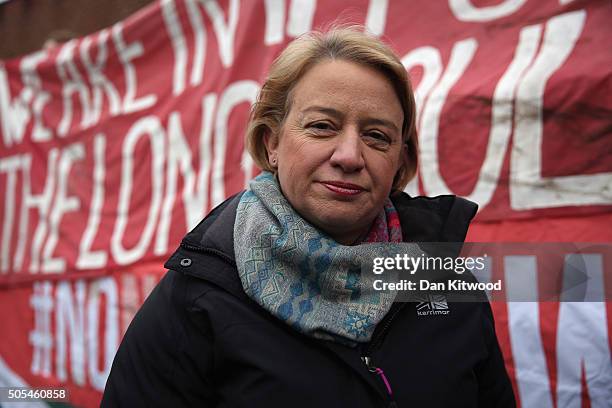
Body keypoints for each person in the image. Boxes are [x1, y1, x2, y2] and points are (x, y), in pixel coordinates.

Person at [101, 26, 515, 407]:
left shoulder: (449, 284)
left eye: (376, 136)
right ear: (272, 143)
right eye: (321, 126)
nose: (350, 156)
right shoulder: (198, 298)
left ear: (400, 160)